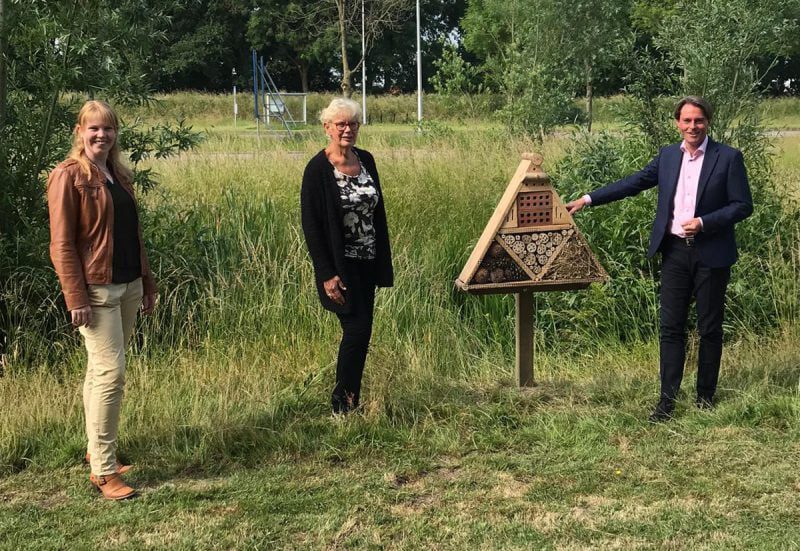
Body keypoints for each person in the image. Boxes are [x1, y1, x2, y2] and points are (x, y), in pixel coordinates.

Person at [566, 96, 753, 422]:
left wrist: (704, 222)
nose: (693, 126)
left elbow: (742, 205)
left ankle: (705, 398)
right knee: (670, 328)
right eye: (686, 121)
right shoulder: (668, 156)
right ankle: (666, 402)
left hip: (712, 253)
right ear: (677, 123)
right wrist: (588, 198)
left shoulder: (728, 158)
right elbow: (634, 183)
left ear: (707, 121)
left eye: (698, 121)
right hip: (675, 252)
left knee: (709, 329)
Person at [48, 100, 157, 499]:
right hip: (96, 292)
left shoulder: (118, 175)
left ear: (115, 135)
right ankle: (104, 471)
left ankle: (96, 451)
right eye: (93, 129)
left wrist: (147, 284)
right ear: (80, 131)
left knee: (99, 372)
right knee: (112, 374)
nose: (101, 135)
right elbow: (61, 246)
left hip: (127, 286)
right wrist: (74, 296)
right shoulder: (68, 176)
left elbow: (132, 237)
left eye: (108, 129)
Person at [301, 98, 393, 414]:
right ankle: (343, 406)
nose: (347, 129)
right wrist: (327, 273)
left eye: (352, 123)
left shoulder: (366, 160)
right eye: (340, 123)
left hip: (368, 262)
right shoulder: (317, 170)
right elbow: (311, 225)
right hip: (341, 267)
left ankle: (348, 401)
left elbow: (377, 211)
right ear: (327, 127)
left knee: (361, 331)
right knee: (357, 331)